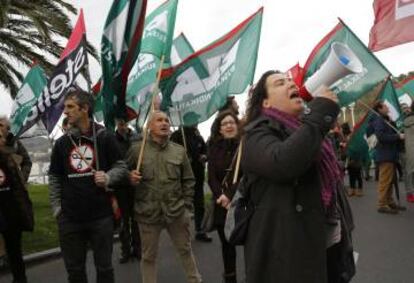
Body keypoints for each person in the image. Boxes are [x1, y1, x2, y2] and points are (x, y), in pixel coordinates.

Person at [241, 71, 355, 283]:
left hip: (326, 239)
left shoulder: (306, 130)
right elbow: (283, 163)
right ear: (265, 102)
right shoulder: (256, 134)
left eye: (290, 80)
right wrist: (321, 111)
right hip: (287, 253)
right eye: (280, 83)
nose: (290, 83)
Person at [48, 90, 129, 283]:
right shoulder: (62, 143)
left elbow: (121, 166)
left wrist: (108, 177)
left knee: (105, 269)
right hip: (69, 218)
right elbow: (54, 177)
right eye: (65, 107)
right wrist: (57, 209)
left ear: (84, 109)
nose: (65, 112)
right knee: (75, 272)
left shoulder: (104, 137)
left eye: (70, 107)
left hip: (100, 216)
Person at [126, 111, 202, 283]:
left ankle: (195, 280)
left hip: (176, 212)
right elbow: (122, 173)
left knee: (185, 250)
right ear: (149, 127)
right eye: (159, 120)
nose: (164, 123)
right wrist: (129, 177)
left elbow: (189, 179)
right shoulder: (136, 150)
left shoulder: (179, 151)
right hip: (147, 214)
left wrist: (187, 207)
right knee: (148, 257)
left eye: (167, 120)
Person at [207, 110, 241, 283]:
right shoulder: (213, 148)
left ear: (237, 125)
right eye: (225, 123)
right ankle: (230, 277)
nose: (228, 125)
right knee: (227, 245)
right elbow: (211, 176)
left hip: (243, 202)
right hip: (222, 204)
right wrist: (220, 196)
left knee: (251, 242)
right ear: (219, 129)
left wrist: (229, 195)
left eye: (232, 122)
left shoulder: (245, 146)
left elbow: (245, 175)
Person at [0, 129, 34, 283]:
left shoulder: (12, 150)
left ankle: (20, 279)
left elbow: (26, 162)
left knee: (14, 249)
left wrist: (22, 179)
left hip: (11, 206)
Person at [170, 125, 212, 242]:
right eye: (194, 120)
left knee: (199, 205)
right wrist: (182, 159)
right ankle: (181, 233)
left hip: (197, 176)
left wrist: (204, 156)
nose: (197, 122)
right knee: (182, 206)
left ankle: (200, 231)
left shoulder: (197, 136)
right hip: (182, 179)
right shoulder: (177, 135)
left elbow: (205, 150)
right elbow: (170, 154)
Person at [114, 118, 142, 263]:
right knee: (123, 221)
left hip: (135, 185)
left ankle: (138, 248)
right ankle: (125, 250)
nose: (123, 126)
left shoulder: (136, 138)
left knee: (136, 218)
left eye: (124, 123)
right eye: (120, 124)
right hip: (120, 186)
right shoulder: (112, 140)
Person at [371, 100, 405, 214]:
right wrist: (397, 136)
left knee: (390, 180)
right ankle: (382, 204)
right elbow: (381, 136)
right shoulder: (379, 120)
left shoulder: (385, 119)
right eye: (385, 106)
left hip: (390, 154)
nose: (387, 108)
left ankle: (389, 201)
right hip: (385, 154)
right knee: (385, 180)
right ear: (379, 109)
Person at [0, 116, 32, 183]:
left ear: (7, 129)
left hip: (13, 187)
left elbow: (27, 162)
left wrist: (21, 179)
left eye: (1, 125)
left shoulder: (15, 143)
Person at [401, 103, 414, 203]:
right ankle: (409, 192)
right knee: (408, 172)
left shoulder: (406, 120)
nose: (406, 110)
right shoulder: (400, 121)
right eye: (404, 109)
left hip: (408, 149)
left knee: (409, 172)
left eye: (407, 108)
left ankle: (410, 192)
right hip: (404, 150)